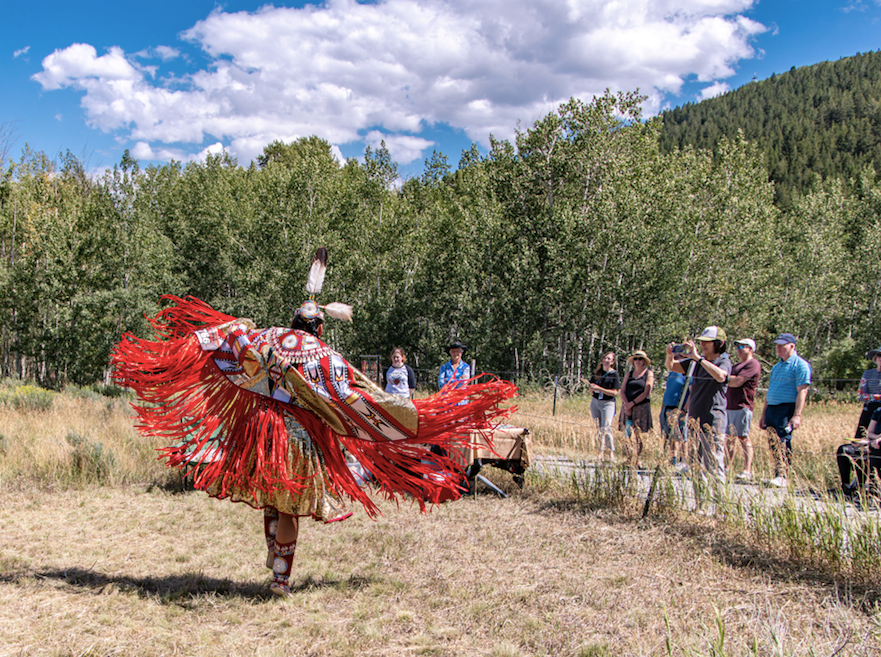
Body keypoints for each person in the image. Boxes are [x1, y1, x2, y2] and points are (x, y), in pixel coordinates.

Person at [111, 252, 516, 598]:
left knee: (271, 497)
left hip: (258, 429)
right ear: (319, 327)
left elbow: (230, 344)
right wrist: (402, 415)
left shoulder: (266, 337)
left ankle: (275, 555)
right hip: (296, 437)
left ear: (293, 322)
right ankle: (281, 578)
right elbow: (349, 401)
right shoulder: (327, 358)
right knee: (289, 506)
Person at [665, 326, 732, 481]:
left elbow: (721, 376)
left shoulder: (723, 361)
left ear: (720, 343)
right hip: (695, 421)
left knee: (713, 466)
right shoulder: (695, 362)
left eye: (708, 342)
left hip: (713, 420)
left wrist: (699, 359)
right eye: (702, 342)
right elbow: (672, 366)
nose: (703, 345)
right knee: (696, 468)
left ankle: (718, 504)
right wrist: (669, 355)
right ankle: (699, 504)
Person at [760, 333, 811, 488]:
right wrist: (764, 413)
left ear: (792, 346)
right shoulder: (776, 367)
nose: (779, 348)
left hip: (786, 407)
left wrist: (797, 415)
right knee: (773, 441)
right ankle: (777, 472)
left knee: (783, 439)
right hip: (773, 407)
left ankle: (784, 474)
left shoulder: (800, 365)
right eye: (777, 345)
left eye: (782, 345)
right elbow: (771, 391)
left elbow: (802, 390)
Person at [725, 338, 761, 481]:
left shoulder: (753, 364)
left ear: (750, 348)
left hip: (742, 405)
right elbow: (731, 380)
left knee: (743, 437)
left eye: (742, 346)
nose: (739, 349)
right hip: (730, 405)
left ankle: (747, 470)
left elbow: (737, 382)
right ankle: (727, 467)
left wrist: (724, 378)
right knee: (730, 438)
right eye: (737, 346)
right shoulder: (737, 365)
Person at [619, 351, 654, 469]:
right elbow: (622, 390)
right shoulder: (629, 374)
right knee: (627, 434)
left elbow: (646, 392)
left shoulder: (649, 373)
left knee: (638, 434)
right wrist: (626, 405)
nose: (638, 361)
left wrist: (632, 403)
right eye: (636, 359)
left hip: (641, 406)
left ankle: (636, 459)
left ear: (644, 361)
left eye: (640, 359)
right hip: (627, 406)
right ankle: (628, 458)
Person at [586, 352, 619, 463]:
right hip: (595, 402)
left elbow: (614, 392)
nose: (606, 360)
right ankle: (600, 452)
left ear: (612, 362)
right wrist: (591, 388)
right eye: (604, 357)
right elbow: (591, 389)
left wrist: (600, 389)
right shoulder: (597, 373)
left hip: (608, 403)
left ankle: (611, 453)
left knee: (606, 428)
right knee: (598, 428)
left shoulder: (614, 374)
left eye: (608, 358)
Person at [659, 367, 687, 464]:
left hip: (679, 408)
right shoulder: (672, 372)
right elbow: (667, 390)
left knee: (680, 436)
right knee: (668, 435)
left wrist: (685, 410)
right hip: (667, 407)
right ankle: (670, 459)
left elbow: (691, 392)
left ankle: (683, 460)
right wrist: (662, 408)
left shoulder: (687, 372)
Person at [855, 347, 881, 439]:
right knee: (860, 439)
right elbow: (860, 395)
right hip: (869, 409)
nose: (880, 358)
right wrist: (877, 397)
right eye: (879, 355)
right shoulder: (868, 374)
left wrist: (870, 397)